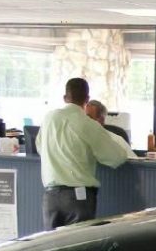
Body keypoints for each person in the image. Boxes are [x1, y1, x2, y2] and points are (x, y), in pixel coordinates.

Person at [37, 77, 129, 230]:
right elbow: (117, 157)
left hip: (50, 197)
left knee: (52, 250)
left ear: (65, 98)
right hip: (78, 198)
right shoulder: (88, 124)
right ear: (87, 99)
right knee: (78, 250)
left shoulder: (49, 119)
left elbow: (40, 147)